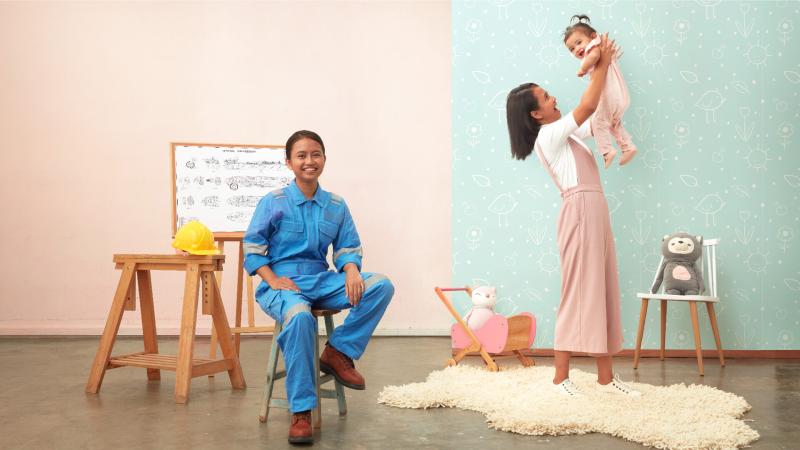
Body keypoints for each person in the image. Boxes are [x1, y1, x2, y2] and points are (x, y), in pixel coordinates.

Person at [505, 34, 640, 398]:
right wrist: (601, 63)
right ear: (536, 114)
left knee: (602, 290)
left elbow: (597, 113)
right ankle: (560, 378)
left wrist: (605, 66)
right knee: (577, 292)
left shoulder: (570, 134)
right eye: (547, 97)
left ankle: (606, 378)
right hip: (580, 211)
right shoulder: (549, 135)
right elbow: (588, 103)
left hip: (594, 208)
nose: (554, 98)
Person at [243, 130, 394, 444]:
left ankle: (337, 352)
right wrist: (272, 280)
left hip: (322, 279)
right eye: (301, 155)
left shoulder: (335, 205)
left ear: (324, 158)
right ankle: (301, 412)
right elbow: (253, 249)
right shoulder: (273, 201)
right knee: (300, 317)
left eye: (315, 154)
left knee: (380, 285)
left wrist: (351, 270)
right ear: (289, 162)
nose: (309, 161)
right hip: (283, 284)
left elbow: (347, 247)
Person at [564, 14, 637, 168]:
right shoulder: (603, 48)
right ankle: (628, 146)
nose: (577, 49)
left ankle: (607, 151)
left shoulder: (594, 48)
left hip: (611, 97)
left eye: (579, 42)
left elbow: (595, 56)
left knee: (598, 121)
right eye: (572, 49)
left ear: (593, 36)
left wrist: (583, 68)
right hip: (621, 96)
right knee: (613, 123)